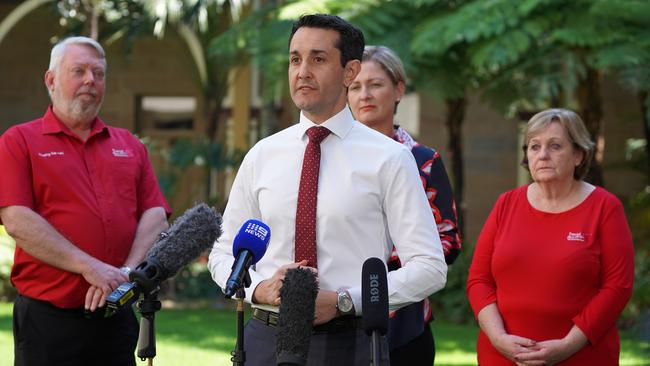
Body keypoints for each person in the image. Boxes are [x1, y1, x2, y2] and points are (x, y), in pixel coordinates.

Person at [208, 14, 447, 366]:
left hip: (348, 341)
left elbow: (429, 267)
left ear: (350, 72)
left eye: (318, 59)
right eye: (294, 59)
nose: (302, 71)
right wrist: (258, 287)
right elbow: (222, 251)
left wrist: (344, 300)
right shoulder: (262, 154)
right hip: (262, 341)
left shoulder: (390, 158)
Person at [0, 36, 171, 366]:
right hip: (49, 322)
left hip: (116, 316)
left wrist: (121, 275)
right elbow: (17, 219)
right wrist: (91, 268)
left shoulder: (130, 146)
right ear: (51, 80)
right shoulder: (19, 141)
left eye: (98, 73)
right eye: (78, 71)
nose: (90, 81)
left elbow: (155, 215)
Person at [466, 108, 635, 365]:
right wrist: (498, 338)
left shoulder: (605, 208)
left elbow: (617, 288)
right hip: (502, 355)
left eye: (555, 146)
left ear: (578, 155)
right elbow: (479, 280)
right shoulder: (506, 204)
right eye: (534, 147)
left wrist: (568, 346)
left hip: (581, 356)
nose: (543, 155)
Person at [348, 45, 461, 365]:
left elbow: (448, 240)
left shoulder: (423, 162)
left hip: (406, 324)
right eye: (355, 87)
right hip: (338, 323)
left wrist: (384, 265)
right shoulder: (329, 160)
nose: (364, 95)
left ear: (399, 89)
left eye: (376, 84)